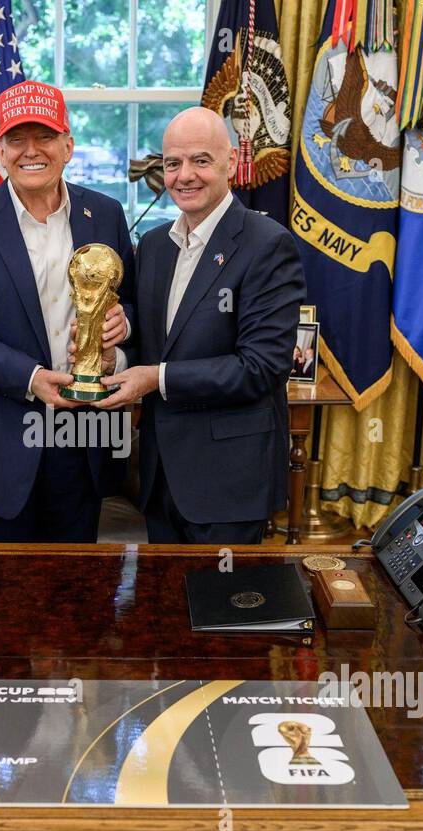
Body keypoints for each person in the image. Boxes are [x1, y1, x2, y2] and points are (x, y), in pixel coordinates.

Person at [0, 80, 135, 542]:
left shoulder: (106, 213)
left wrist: (123, 328)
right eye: (17, 139)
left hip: (83, 437)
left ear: (68, 145)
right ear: (0, 149)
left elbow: (132, 299)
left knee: (75, 588)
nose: (30, 151)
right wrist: (30, 377)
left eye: (45, 136)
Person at [97, 107, 305, 544]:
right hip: (159, 476)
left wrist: (155, 378)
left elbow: (261, 367)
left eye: (200, 161)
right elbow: (154, 338)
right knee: (164, 607)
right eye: (173, 163)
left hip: (229, 479)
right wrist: (114, 350)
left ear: (230, 162)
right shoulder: (154, 245)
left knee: (224, 608)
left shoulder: (268, 245)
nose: (184, 175)